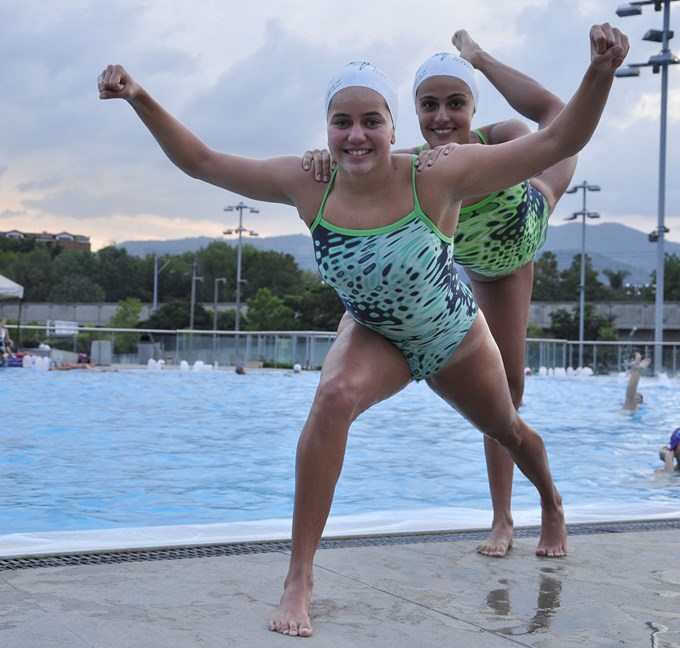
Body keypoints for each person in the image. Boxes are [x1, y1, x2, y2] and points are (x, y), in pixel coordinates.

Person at [97, 23, 627, 637]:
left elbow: (562, 136)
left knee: (507, 426)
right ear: (326, 128)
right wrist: (139, 97)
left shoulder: (439, 174)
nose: (355, 135)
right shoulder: (306, 180)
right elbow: (202, 161)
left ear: (392, 128)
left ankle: (552, 505)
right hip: (376, 331)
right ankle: (300, 576)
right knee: (333, 396)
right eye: (341, 122)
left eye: (371, 120)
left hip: (452, 331)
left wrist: (600, 71)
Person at [304, 31, 579, 557]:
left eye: (457, 103)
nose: (443, 117)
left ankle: (550, 505)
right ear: (413, 112)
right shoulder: (410, 164)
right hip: (470, 266)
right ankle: (502, 519)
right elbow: (359, 153)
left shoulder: (502, 139)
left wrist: (478, 64)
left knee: (512, 390)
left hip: (524, 230)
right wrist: (324, 157)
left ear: (473, 106)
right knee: (499, 400)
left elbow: (558, 125)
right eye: (429, 105)